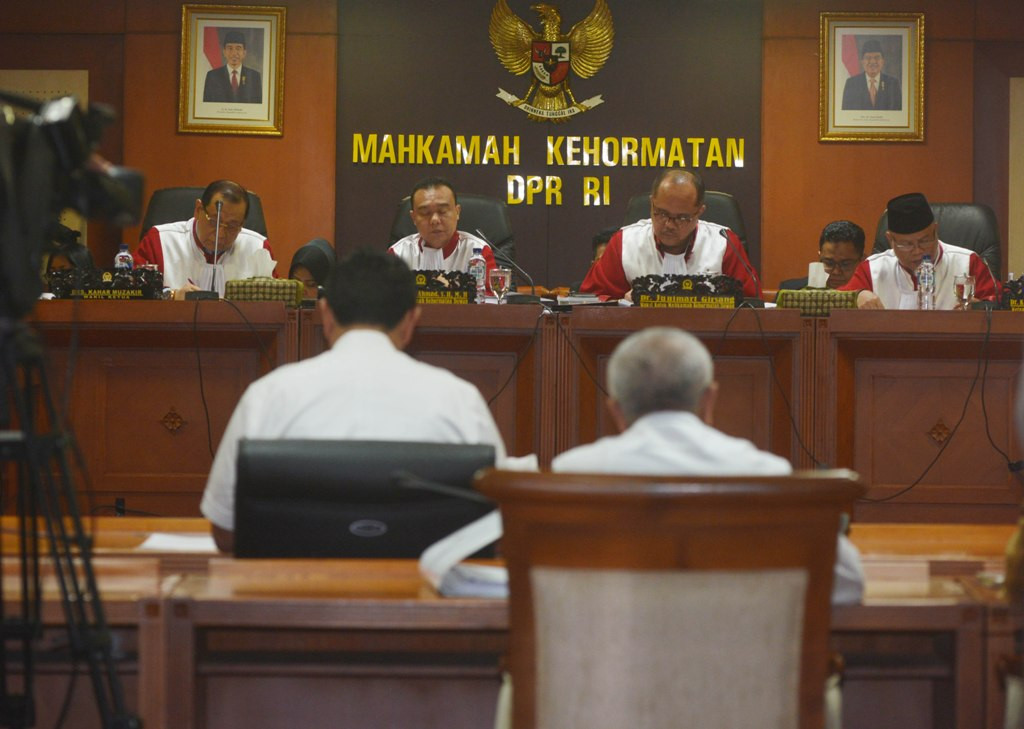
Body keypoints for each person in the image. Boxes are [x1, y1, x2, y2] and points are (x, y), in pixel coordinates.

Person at [200, 249, 507, 552]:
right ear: (411, 320)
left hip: (295, 595)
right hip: (423, 594)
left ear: (326, 314)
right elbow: (502, 524)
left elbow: (226, 530)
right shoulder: (461, 400)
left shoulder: (268, 395)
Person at [551, 326, 864, 605]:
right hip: (740, 667)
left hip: (602, 666)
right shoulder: (763, 474)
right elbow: (847, 585)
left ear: (616, 410)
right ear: (709, 400)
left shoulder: (570, 475)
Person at [580, 169, 761, 300]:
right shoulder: (625, 243)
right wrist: (622, 302)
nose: (669, 225)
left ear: (699, 212)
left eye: (682, 218)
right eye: (661, 213)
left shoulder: (723, 243)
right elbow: (589, 303)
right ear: (651, 204)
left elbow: (751, 306)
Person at [840, 192, 999, 310]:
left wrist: (980, 308)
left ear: (935, 231)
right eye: (906, 244)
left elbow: (1000, 305)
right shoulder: (872, 269)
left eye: (925, 240)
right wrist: (856, 296)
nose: (917, 251)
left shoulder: (967, 262)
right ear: (891, 240)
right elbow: (832, 302)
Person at [134, 179, 276, 298]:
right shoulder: (159, 241)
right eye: (214, 221)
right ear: (198, 209)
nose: (220, 234)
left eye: (232, 226)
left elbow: (277, 306)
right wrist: (172, 295)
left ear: (242, 224)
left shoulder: (258, 248)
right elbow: (131, 293)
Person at [388, 177, 497, 278]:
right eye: (425, 213)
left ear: (457, 212)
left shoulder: (478, 252)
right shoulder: (398, 254)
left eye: (442, 211)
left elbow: (490, 297)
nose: (435, 220)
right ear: (414, 218)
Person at [778, 220, 866, 291]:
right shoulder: (791, 291)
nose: (836, 272)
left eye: (845, 264)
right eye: (829, 263)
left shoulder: (872, 296)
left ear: (862, 261)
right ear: (819, 257)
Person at [203, 30, 263, 104]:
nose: (234, 53)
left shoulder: (254, 77)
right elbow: (207, 106)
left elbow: (258, 108)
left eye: (238, 48)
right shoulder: (212, 76)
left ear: (244, 53)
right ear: (224, 52)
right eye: (230, 48)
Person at [841, 38, 902, 111]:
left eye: (877, 57)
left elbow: (898, 114)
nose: (873, 61)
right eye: (868, 57)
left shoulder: (893, 84)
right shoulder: (851, 84)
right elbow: (846, 115)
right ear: (862, 62)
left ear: (883, 61)